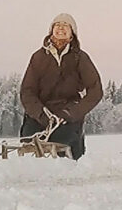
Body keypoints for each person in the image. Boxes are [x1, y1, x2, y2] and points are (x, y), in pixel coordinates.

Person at [20, 13, 103, 159]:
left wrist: (72, 113)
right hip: (40, 116)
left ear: (72, 33)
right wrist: (41, 113)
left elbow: (95, 91)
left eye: (66, 26)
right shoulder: (38, 57)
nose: (61, 28)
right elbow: (27, 91)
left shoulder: (80, 58)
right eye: (57, 25)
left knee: (62, 142)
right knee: (29, 141)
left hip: (67, 116)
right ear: (51, 30)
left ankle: (69, 171)